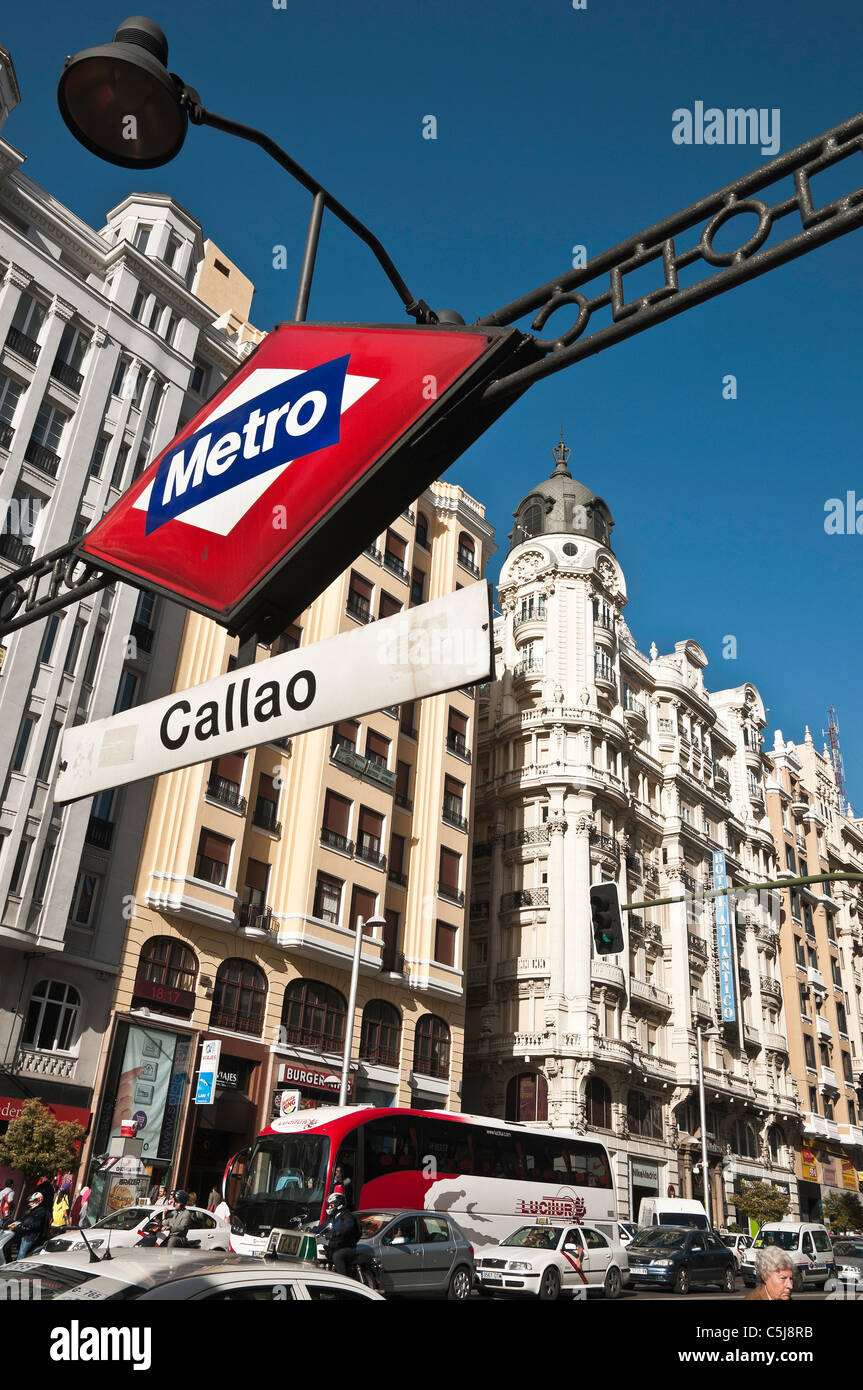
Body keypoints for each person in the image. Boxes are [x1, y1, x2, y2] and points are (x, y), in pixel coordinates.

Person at [312, 1187, 361, 1280]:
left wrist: (336, 1233)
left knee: (337, 1256)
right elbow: (320, 1228)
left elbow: (347, 1227)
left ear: (339, 1205)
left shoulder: (347, 1216)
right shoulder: (332, 1219)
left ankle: (344, 1282)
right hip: (334, 1246)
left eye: (331, 1205)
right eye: (329, 1205)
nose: (329, 1207)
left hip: (346, 1247)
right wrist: (309, 1231)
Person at [11, 1193, 49, 1259]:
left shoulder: (41, 1211)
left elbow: (37, 1224)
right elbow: (22, 1219)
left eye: (33, 1201)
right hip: (23, 1232)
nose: (30, 1203)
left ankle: (18, 1265)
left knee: (21, 1253)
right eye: (31, 1201)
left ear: (38, 1201)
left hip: (30, 1236)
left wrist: (27, 1224)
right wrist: (13, 1224)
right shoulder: (31, 1210)